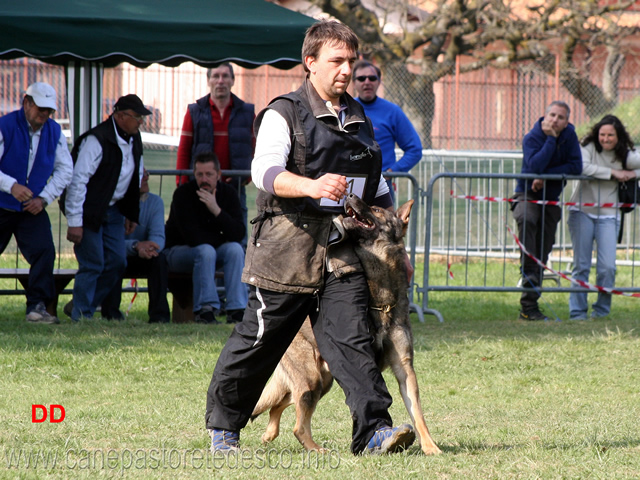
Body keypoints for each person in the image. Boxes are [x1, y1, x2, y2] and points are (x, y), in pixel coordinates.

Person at [205, 20, 416, 455]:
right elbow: (263, 173)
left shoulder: (359, 119)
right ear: (310, 62)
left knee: (352, 340)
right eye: (336, 61)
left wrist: (394, 239)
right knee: (259, 341)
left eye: (351, 61)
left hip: (340, 254)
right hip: (286, 251)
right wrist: (313, 185)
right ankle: (224, 429)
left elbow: (377, 189)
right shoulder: (283, 112)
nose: (347, 70)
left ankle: (374, 432)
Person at [63, 94, 149, 321]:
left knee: (118, 261)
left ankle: (82, 306)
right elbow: (77, 180)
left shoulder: (134, 138)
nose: (140, 122)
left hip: (114, 210)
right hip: (89, 210)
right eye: (137, 117)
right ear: (120, 116)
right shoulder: (96, 140)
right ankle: (81, 316)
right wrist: (75, 221)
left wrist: (132, 213)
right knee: (93, 263)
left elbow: (136, 175)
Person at [0, 82, 73, 324]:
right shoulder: (5, 126)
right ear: (26, 103)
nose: (45, 115)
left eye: (49, 111)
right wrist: (11, 186)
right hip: (2, 203)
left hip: (32, 207)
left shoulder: (55, 133)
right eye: (41, 109)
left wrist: (44, 198)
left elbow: (65, 170)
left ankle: (37, 307)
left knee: (45, 251)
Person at [512, 100, 582, 321]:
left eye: (560, 117)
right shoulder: (532, 137)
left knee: (543, 250)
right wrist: (551, 140)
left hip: (550, 199)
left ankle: (530, 305)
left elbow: (576, 166)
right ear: (545, 116)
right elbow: (533, 165)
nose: (555, 120)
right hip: (527, 196)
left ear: (566, 121)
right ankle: (528, 283)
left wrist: (545, 174)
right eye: (552, 115)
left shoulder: (570, 136)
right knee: (526, 219)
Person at [568, 115, 640, 320]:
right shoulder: (588, 146)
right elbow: (581, 167)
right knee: (581, 265)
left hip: (610, 215)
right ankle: (577, 313)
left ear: (619, 137)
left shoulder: (625, 153)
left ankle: (601, 311)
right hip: (581, 212)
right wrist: (614, 173)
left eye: (610, 135)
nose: (606, 139)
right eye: (602, 134)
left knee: (607, 267)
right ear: (596, 133)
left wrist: (633, 174)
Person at [175, 63, 255, 243]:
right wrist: (182, 184)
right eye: (216, 76)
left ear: (233, 81)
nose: (221, 81)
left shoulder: (247, 113)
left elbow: (256, 148)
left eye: (225, 76)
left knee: (238, 241)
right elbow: (184, 149)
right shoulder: (194, 111)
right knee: (200, 239)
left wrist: (247, 177)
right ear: (208, 80)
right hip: (200, 187)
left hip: (234, 188)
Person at [164, 152, 247, 325]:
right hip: (177, 253)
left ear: (219, 175)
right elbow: (193, 237)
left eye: (209, 174)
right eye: (199, 174)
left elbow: (238, 233)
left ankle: (237, 309)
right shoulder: (183, 195)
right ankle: (205, 310)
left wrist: (216, 210)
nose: (204, 179)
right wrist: (221, 236)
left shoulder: (228, 194)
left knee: (235, 250)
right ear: (194, 175)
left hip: (210, 252)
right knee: (206, 250)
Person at [100, 169, 171, 323]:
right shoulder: (113, 205)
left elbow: (158, 237)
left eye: (146, 173)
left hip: (144, 255)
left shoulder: (155, 202)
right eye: (140, 174)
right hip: (119, 254)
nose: (146, 177)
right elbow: (108, 242)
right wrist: (135, 246)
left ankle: (159, 317)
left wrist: (149, 248)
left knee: (159, 260)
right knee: (114, 259)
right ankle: (111, 315)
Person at [353, 60, 422, 203]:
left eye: (372, 78)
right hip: (350, 185)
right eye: (361, 78)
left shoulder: (393, 111)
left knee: (383, 225)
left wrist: (392, 172)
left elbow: (414, 149)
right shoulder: (344, 108)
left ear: (379, 82)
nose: (367, 82)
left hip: (381, 186)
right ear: (354, 82)